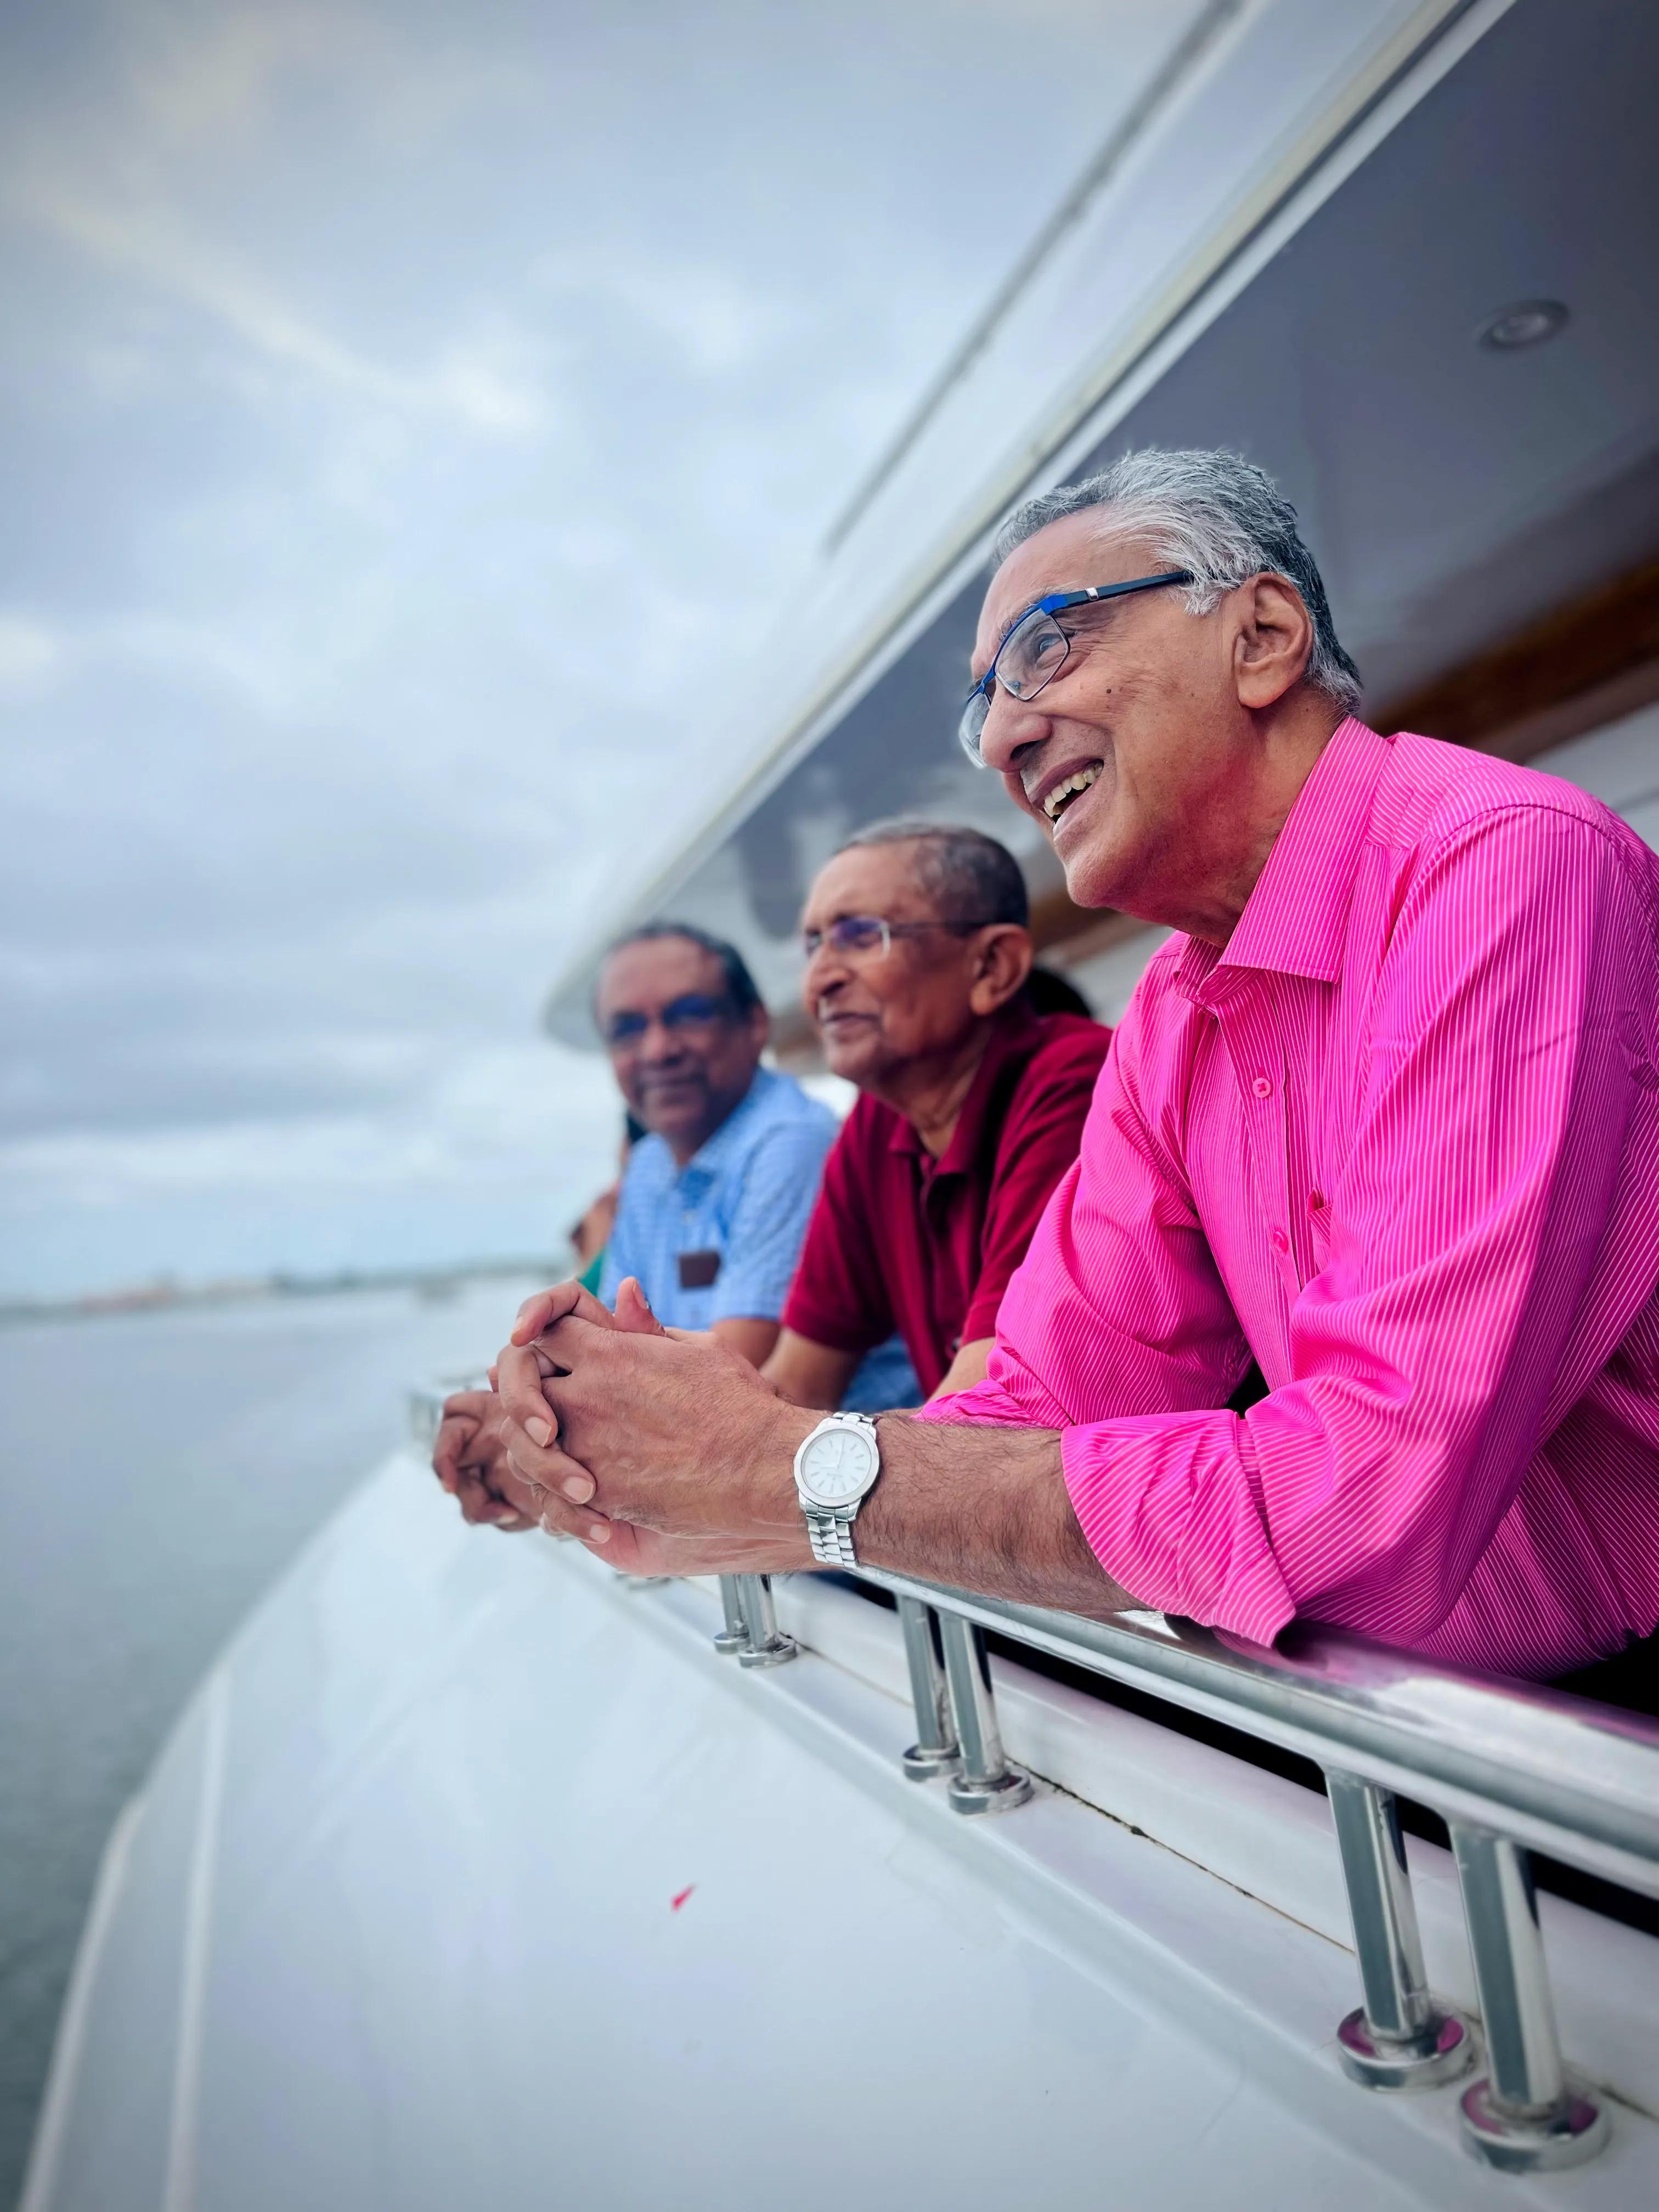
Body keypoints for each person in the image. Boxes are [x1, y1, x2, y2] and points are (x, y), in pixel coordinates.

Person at [489, 445, 1659, 1683]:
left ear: (1260, 636)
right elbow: (1047, 1399)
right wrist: (667, 1464)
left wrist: (778, 1474)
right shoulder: (1172, 1003)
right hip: (1377, 1718)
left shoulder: (1501, 867)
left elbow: (1368, 1498)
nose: (1000, 739)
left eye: (1046, 649)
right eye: (983, 699)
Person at [435, 921, 892, 1529]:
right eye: (627, 1029)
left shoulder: (792, 1145)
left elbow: (731, 1388)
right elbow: (600, 1351)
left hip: (852, 1529)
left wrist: (515, 1433)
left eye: (690, 1014)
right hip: (738, 1517)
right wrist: (516, 1414)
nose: (657, 1049)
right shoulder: (650, 1162)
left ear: (755, 1025)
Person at [764, 820, 1109, 1407]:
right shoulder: (877, 1124)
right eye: (814, 945)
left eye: (860, 936)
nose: (820, 979)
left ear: (991, 968)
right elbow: (795, 1384)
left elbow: (992, 1399)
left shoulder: (1076, 1080)